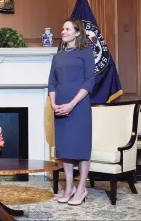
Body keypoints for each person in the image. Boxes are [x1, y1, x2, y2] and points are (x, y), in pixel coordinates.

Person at [48, 18, 95, 206]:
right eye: (63, 28)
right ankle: (69, 187)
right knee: (65, 150)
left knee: (81, 150)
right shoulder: (57, 56)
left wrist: (72, 104)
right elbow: (52, 82)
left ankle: (81, 188)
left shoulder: (85, 52)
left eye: (68, 28)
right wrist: (53, 103)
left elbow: (89, 81)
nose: (63, 31)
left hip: (79, 106)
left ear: (77, 32)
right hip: (59, 107)